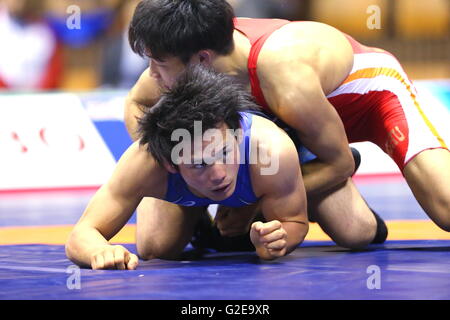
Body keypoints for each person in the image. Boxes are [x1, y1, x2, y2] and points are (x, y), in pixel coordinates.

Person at [124, 0, 400, 249]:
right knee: (155, 246)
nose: (151, 73)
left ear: (201, 60)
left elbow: (341, 164)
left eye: (158, 62)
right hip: (209, 159)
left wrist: (251, 202)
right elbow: (135, 103)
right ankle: (212, 220)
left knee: (357, 232)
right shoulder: (174, 67)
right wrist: (174, 163)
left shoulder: (284, 75)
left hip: (273, 157)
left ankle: (283, 200)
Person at [66, 66, 309, 269]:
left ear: (236, 136)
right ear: (170, 164)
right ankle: (196, 217)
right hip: (183, 187)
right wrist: (98, 251)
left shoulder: (269, 149)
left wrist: (275, 241)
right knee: (155, 248)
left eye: (224, 153)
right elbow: (82, 234)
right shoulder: (145, 163)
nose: (219, 175)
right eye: (199, 164)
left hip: (267, 184)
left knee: (348, 229)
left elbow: (295, 221)